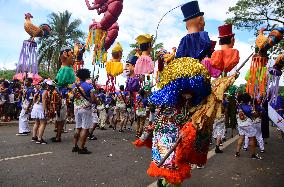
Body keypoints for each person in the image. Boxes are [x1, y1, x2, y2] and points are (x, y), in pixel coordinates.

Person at [72, 69, 95, 154]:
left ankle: (75, 146)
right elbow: (93, 99)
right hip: (86, 109)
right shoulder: (89, 86)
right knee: (85, 128)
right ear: (87, 76)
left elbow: (72, 97)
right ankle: (81, 148)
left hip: (76, 108)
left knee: (78, 128)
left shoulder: (74, 86)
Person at [235, 93, 262, 160]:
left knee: (241, 137)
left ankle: (237, 152)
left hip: (240, 124)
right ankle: (253, 155)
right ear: (248, 99)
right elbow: (255, 115)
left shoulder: (239, 105)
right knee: (251, 138)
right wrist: (257, 111)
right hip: (247, 124)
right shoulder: (249, 107)